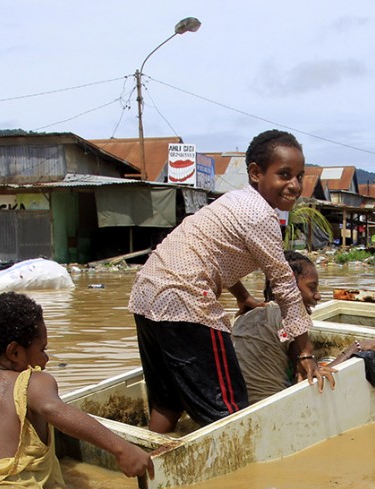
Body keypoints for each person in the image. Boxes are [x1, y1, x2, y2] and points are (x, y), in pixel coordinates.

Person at [128, 130, 324, 434]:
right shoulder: (261, 215)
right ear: (256, 173)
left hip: (146, 296)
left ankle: (149, 470)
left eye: (300, 176)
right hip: (185, 300)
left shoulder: (233, 201)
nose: (294, 185)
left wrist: (243, 296)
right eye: (284, 174)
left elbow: (216, 255)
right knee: (228, 410)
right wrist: (305, 353)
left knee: (166, 401)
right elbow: (285, 285)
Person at [0, 292, 154, 489]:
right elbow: (51, 408)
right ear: (15, 353)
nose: (46, 359)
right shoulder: (34, 382)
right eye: (42, 349)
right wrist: (122, 449)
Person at [232, 251, 375, 404]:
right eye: (311, 287)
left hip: (240, 405)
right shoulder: (288, 318)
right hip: (274, 408)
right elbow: (312, 379)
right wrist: (357, 346)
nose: (318, 295)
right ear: (288, 289)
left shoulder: (245, 316)